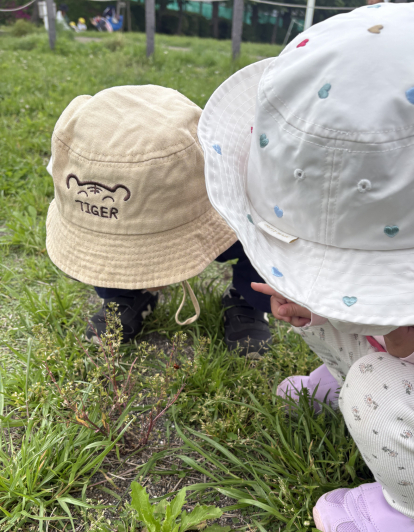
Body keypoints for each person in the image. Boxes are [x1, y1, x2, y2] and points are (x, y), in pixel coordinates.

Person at [198, 2, 414, 532]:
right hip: (412, 355)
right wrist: (320, 310)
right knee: (325, 315)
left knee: (373, 383)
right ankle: (361, 387)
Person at [45, 85, 272, 358]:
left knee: (254, 240)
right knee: (105, 253)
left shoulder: (222, 194)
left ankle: (247, 298)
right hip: (128, 204)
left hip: (200, 204)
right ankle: (124, 293)